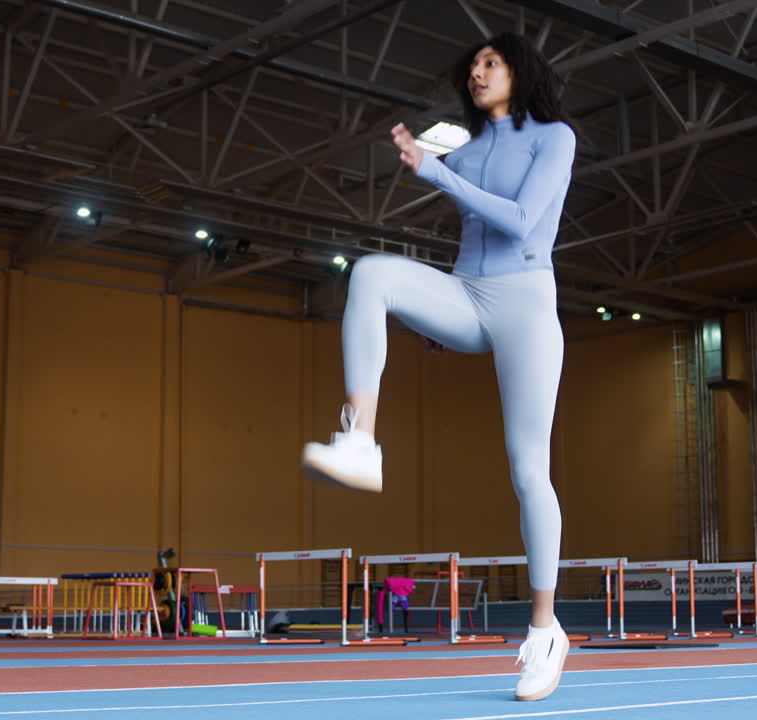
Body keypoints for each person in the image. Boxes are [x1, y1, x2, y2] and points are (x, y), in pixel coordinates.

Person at [301, 31, 576, 702]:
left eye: (491, 63)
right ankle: (361, 439)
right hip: (469, 295)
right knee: (371, 274)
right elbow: (473, 241)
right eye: (473, 65)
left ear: (520, 72)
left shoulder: (554, 138)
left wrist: (437, 172)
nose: (477, 73)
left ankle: (546, 630)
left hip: (527, 306)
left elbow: (520, 221)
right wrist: (438, 316)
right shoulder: (470, 149)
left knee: (527, 469)